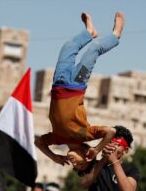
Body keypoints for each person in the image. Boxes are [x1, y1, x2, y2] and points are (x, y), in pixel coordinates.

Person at [35, 12, 125, 173]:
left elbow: (38, 142)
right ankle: (116, 35)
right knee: (94, 50)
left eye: (75, 167)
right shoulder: (85, 135)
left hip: (58, 82)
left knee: (68, 47)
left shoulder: (57, 139)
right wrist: (97, 149)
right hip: (77, 82)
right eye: (81, 164)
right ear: (86, 155)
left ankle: (89, 32)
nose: (74, 164)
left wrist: (53, 157)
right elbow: (110, 132)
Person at [80, 125, 140, 191]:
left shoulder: (130, 170)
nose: (111, 147)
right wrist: (103, 160)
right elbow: (84, 184)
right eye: (109, 143)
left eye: (117, 145)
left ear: (125, 150)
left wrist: (114, 161)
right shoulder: (95, 165)